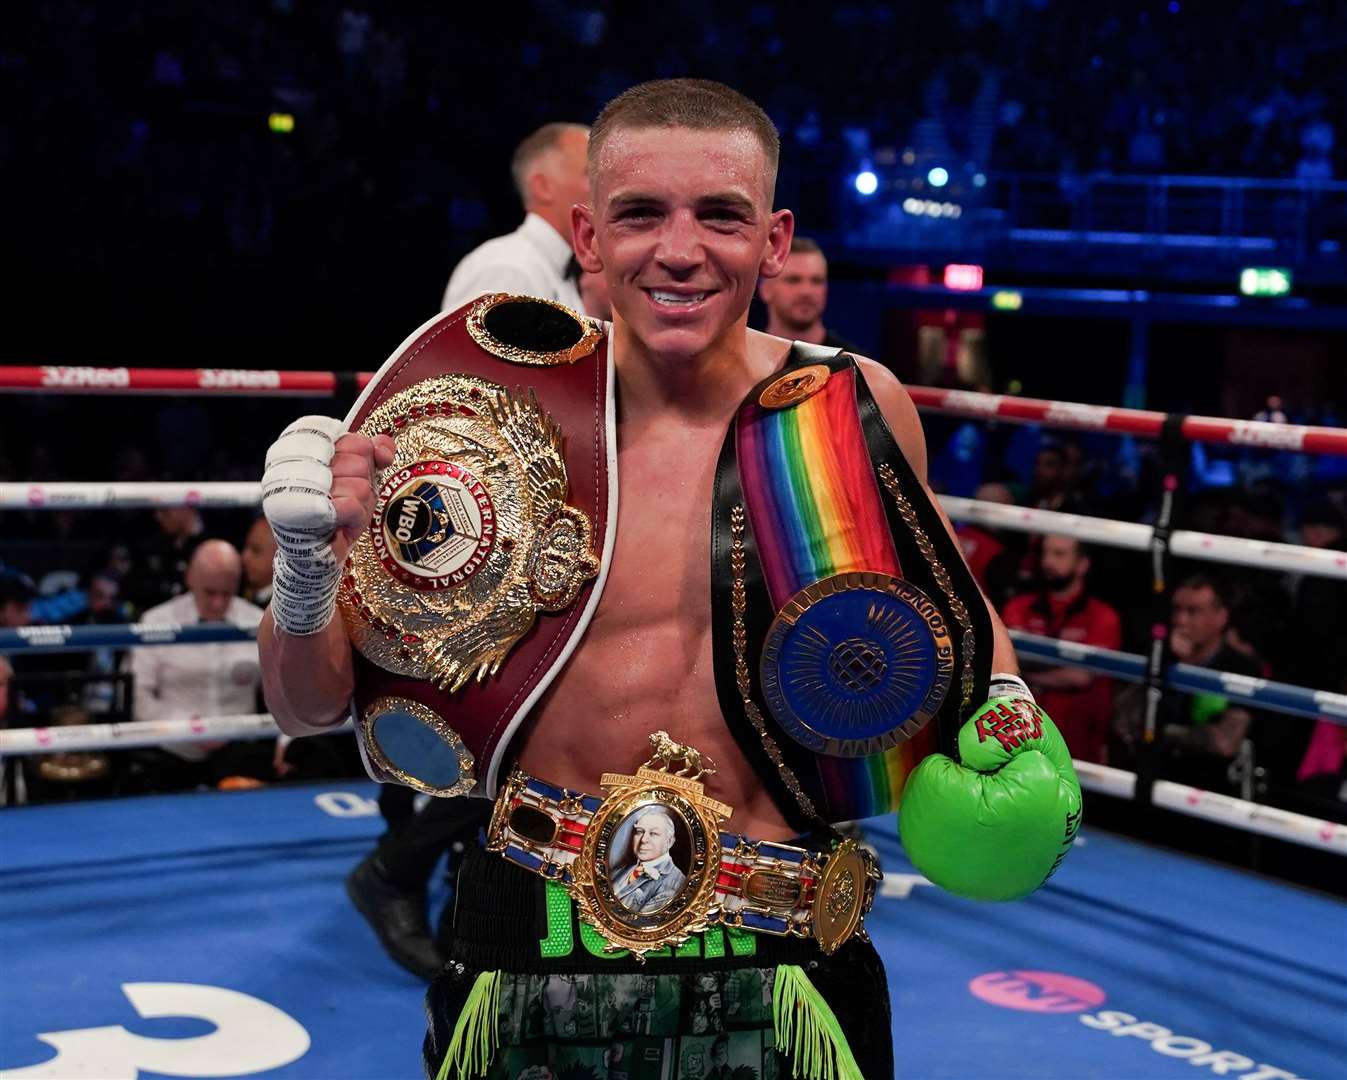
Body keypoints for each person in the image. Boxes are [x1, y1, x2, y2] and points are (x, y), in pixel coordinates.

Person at [259, 79, 1078, 1078]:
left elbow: (952, 613)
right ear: (588, 237)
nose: (680, 250)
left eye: (721, 215)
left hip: (784, 953)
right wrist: (305, 572)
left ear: (774, 241)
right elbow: (304, 710)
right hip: (532, 941)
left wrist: (1006, 707)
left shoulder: (850, 410)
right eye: (642, 213)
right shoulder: (481, 429)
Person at [125, 539, 267, 790]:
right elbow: (138, 695)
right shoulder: (157, 621)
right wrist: (185, 728)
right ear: (190, 578)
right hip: (171, 749)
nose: (218, 603)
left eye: (227, 593)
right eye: (210, 592)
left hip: (239, 749)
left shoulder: (257, 622)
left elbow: (280, 694)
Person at [441, 122, 590, 314]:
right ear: (543, 187)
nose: (607, 188)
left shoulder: (552, 269)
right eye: (591, 174)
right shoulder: (509, 268)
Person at [1001, 535, 1122, 764]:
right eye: (1045, 553)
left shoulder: (1103, 617)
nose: (1048, 562)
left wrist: (1023, 673)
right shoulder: (1017, 608)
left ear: (1083, 564)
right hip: (1019, 744)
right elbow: (1002, 666)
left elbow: (1079, 677)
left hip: (1078, 748)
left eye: (1059, 554)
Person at [756, 235, 857, 352]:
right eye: (793, 280)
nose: (806, 291)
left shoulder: (854, 366)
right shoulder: (742, 361)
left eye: (816, 281)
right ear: (765, 289)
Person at [610, 807, 687, 914]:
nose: (644, 840)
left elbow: (638, 923)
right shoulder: (620, 869)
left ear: (670, 841)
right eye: (639, 832)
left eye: (654, 833)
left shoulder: (675, 883)